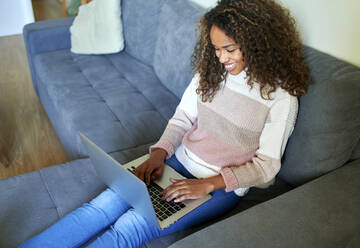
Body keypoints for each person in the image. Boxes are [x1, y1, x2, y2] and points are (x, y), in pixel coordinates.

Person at [21, 0, 311, 247]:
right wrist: (159, 154)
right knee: (101, 206)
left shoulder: (281, 97)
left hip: (220, 187)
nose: (220, 57)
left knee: (129, 227)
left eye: (229, 49)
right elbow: (183, 119)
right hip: (177, 162)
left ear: (257, 42)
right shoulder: (211, 72)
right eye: (216, 48)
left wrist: (207, 185)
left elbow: (267, 166)